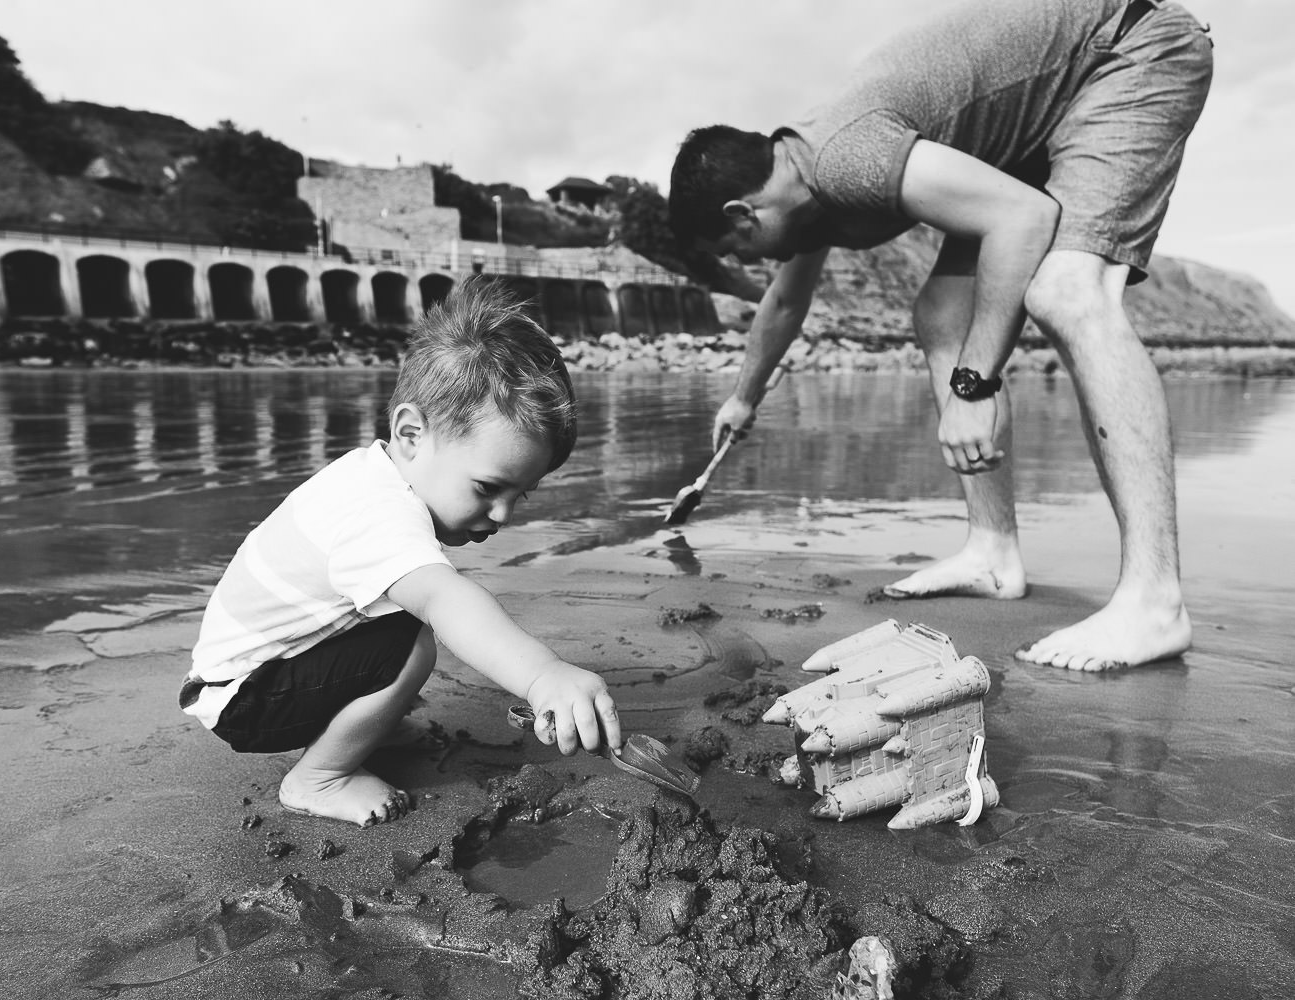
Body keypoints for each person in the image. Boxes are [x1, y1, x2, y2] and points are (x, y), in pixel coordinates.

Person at [667, 0, 1212, 672]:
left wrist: (973, 385)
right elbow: (787, 298)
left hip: (1124, 50)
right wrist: (743, 399)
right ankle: (992, 551)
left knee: (1069, 291)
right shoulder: (805, 185)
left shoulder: (844, 158)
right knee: (940, 316)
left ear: (741, 216)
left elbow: (1022, 218)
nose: (753, 266)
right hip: (1033, 130)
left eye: (738, 253)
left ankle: (1155, 601)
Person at [179, 277, 623, 826]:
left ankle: (366, 723)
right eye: (488, 488)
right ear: (411, 433)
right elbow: (444, 599)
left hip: (254, 674)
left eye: (520, 494)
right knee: (413, 643)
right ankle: (319, 778)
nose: (505, 514)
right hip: (243, 700)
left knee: (397, 624)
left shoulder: (375, 477)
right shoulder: (376, 512)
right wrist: (543, 675)